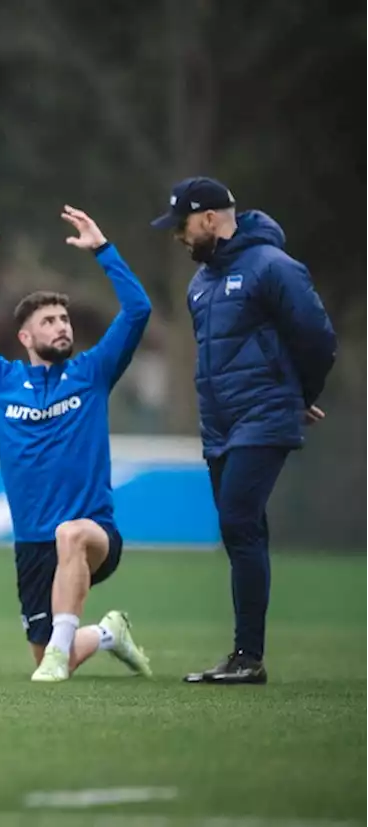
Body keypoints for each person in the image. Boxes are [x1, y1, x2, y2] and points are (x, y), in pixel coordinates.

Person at [0, 198, 154, 682]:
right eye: (49, 321)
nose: (61, 327)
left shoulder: (92, 372)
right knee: (41, 656)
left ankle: (61, 655)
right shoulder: (1, 380)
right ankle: (107, 634)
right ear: (24, 336)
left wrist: (103, 250)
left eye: (64, 320)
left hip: (93, 536)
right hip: (32, 545)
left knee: (71, 533)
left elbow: (138, 310)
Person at [150, 177, 337, 685]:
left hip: (262, 415)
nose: (179, 237)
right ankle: (245, 655)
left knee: (237, 519)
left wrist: (302, 395)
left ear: (210, 218)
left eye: (183, 225)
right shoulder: (200, 284)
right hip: (220, 425)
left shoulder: (272, 267)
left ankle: (247, 656)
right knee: (242, 529)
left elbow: (318, 336)